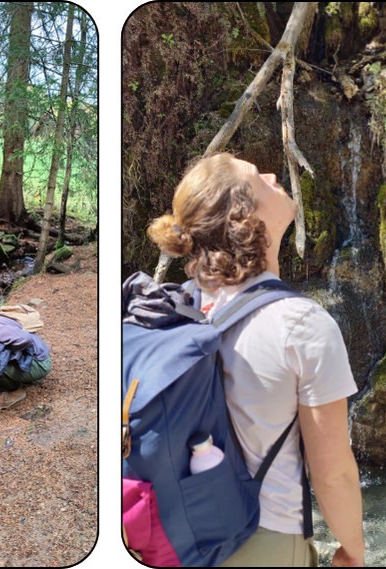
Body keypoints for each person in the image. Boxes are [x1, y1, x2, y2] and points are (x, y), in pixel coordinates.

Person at [147, 153, 365, 567]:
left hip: (175, 535)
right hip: (263, 542)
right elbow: (332, 471)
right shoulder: (300, 324)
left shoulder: (174, 308)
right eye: (257, 176)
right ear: (246, 218)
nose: (271, 173)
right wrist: (353, 549)